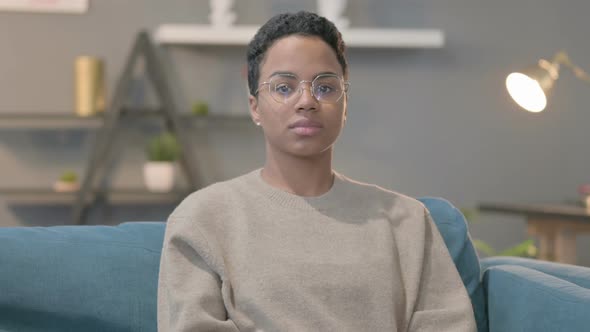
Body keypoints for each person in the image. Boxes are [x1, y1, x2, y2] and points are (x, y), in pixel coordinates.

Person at [157, 11, 476, 332]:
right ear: (255, 106)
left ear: (345, 103)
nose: (307, 101)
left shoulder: (408, 221)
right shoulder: (204, 218)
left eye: (325, 87)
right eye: (284, 88)